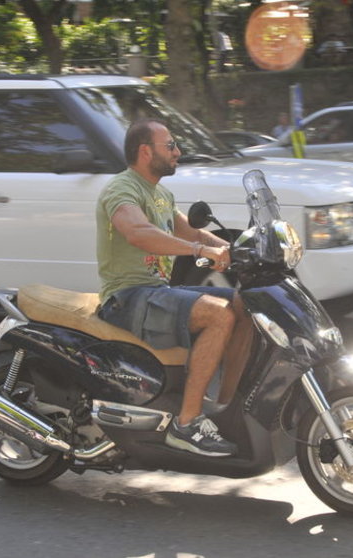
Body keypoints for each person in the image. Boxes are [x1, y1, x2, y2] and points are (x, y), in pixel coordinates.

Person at [95, 119, 252, 457]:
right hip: (127, 296)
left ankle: (225, 407)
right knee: (219, 315)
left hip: (155, 291)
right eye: (170, 146)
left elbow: (193, 234)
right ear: (145, 151)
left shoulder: (161, 195)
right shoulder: (122, 189)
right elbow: (137, 232)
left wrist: (237, 250)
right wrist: (200, 251)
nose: (178, 151)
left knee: (246, 305)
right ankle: (187, 424)